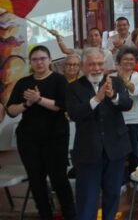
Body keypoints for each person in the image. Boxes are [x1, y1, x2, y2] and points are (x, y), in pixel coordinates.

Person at [6, 46, 76, 220]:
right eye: (35, 59)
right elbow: (11, 111)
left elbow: (62, 105)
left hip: (55, 137)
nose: (39, 62)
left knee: (59, 180)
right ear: (31, 63)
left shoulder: (59, 81)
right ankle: (45, 215)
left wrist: (38, 99)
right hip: (29, 139)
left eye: (43, 58)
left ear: (50, 60)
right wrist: (27, 104)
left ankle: (70, 215)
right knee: (36, 182)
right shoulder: (23, 83)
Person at [66, 48, 132, 220]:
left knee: (112, 195)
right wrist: (97, 99)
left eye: (100, 64)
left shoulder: (115, 82)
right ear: (82, 66)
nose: (96, 68)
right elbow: (75, 114)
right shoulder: (74, 87)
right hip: (88, 151)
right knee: (88, 198)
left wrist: (114, 96)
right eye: (91, 64)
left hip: (115, 149)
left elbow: (127, 104)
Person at [112, 46, 138, 186]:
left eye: (132, 59)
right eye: (125, 59)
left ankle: (135, 179)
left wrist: (125, 81)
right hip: (117, 119)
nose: (128, 61)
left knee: (135, 152)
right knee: (118, 153)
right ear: (119, 61)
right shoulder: (111, 77)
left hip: (136, 119)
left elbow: (136, 93)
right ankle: (121, 180)